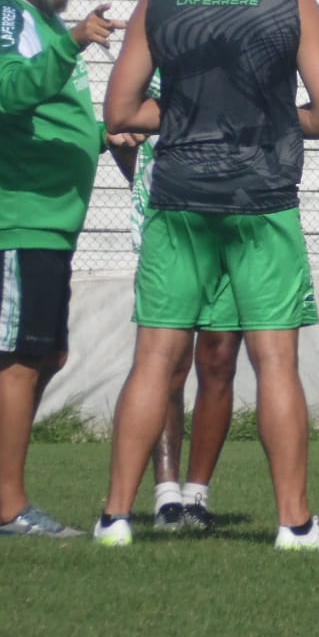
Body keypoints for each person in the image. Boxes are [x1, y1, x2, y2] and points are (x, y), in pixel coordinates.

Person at [95, 0, 319, 550]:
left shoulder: (161, 0)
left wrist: (177, 115)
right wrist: (267, 117)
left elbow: (118, 111)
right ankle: (294, 521)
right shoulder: (294, 2)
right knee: (275, 363)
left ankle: (116, 517)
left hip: (178, 195)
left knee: (154, 358)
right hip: (261, 200)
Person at [0, 0, 126, 538]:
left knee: (46, 353)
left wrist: (100, 135)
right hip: (16, 215)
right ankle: (3, 506)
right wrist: (73, 41)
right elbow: (5, 92)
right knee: (22, 358)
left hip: (47, 218)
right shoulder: (7, 20)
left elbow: (44, 114)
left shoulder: (36, 22)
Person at [125, 62, 241, 534]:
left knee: (218, 359)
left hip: (236, 216)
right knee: (168, 363)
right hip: (168, 221)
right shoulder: (160, 40)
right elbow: (121, 126)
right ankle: (165, 494)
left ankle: (197, 495)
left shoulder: (255, 44)